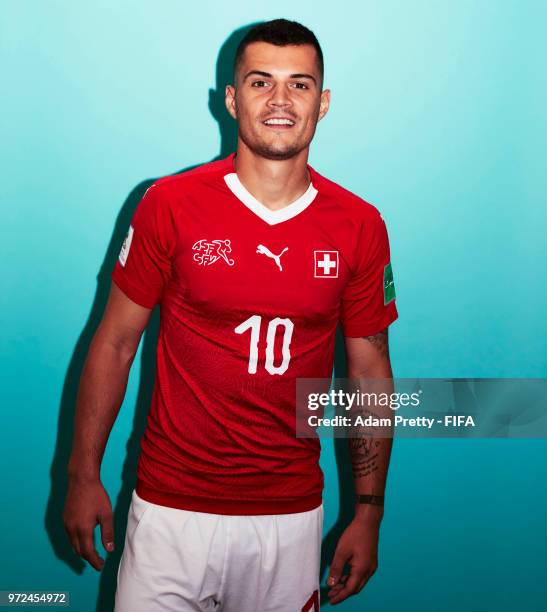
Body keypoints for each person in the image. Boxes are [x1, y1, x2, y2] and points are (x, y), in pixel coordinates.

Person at [63, 18, 398, 611]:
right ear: (231, 97)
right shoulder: (169, 203)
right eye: (260, 81)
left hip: (289, 516)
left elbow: (369, 373)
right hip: (170, 509)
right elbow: (115, 342)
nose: (278, 100)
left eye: (298, 85)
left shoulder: (359, 224)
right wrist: (82, 474)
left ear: (322, 103)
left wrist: (367, 513)